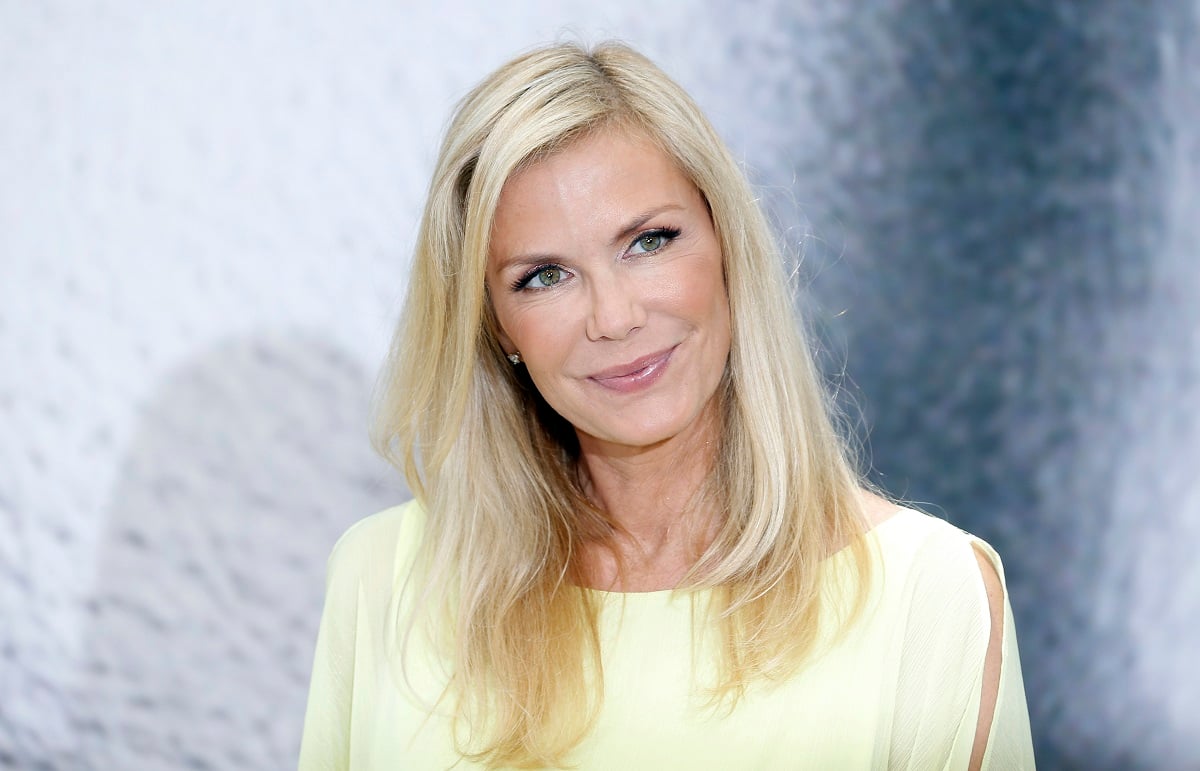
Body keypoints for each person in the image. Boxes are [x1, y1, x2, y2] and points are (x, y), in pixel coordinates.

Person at [299, 41, 1034, 770]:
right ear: (494, 323)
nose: (613, 317)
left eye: (649, 241)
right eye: (544, 276)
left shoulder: (929, 594)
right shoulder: (384, 581)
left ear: (725, 245)